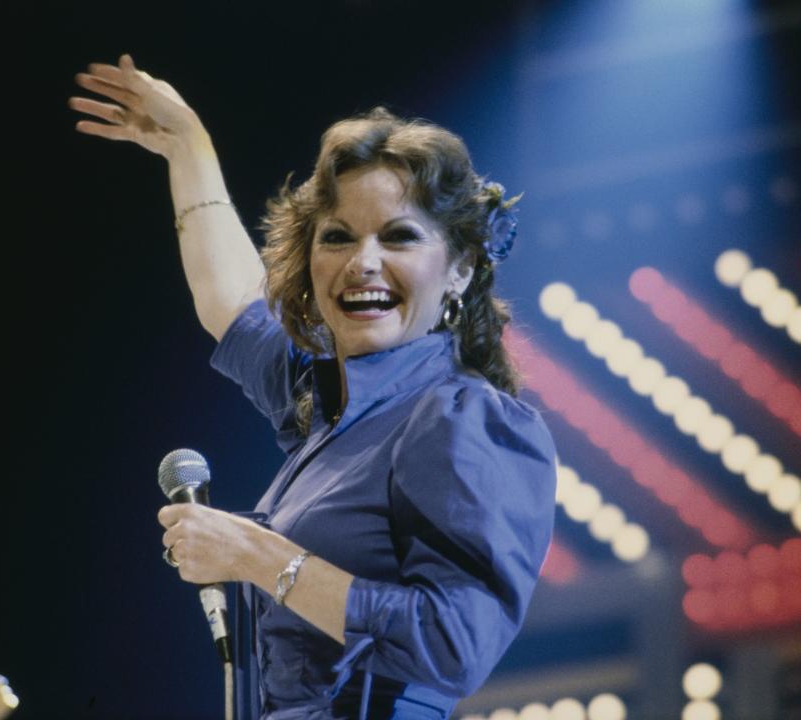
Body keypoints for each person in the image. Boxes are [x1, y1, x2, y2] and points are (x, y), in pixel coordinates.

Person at [70, 54, 557, 720]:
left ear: (460, 270)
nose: (363, 262)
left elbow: (456, 644)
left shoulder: (462, 418)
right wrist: (187, 148)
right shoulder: (327, 408)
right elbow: (231, 300)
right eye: (338, 237)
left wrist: (254, 552)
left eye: (400, 237)